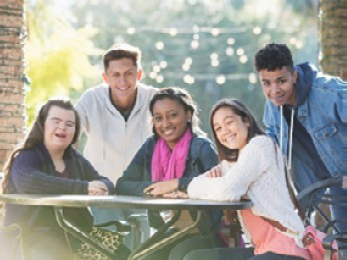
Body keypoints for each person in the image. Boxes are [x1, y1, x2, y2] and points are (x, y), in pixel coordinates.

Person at [181, 99, 311, 260]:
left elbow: (227, 190)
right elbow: (201, 182)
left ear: (246, 120)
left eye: (229, 122)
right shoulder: (231, 164)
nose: (225, 131)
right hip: (261, 251)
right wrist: (186, 189)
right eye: (218, 128)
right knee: (193, 257)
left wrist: (187, 187)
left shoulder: (261, 145)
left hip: (287, 251)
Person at [1, 98, 119, 260]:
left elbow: (105, 182)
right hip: (33, 236)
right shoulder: (27, 156)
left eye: (69, 124)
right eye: (56, 121)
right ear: (43, 125)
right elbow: (29, 182)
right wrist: (83, 188)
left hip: (75, 235)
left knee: (127, 253)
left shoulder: (76, 159)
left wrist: (102, 185)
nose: (62, 127)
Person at [116, 87, 224, 260]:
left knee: (177, 256)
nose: (165, 124)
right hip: (171, 229)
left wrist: (180, 184)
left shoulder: (202, 147)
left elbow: (221, 187)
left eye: (173, 115)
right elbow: (122, 184)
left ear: (188, 114)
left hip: (205, 232)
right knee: (140, 257)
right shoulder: (151, 147)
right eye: (158, 118)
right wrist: (159, 189)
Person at [253, 43, 345, 229]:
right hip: (335, 185)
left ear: (294, 75)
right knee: (343, 244)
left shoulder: (327, 93)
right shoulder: (273, 108)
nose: (274, 90)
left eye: (281, 81)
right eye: (267, 83)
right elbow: (270, 150)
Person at [75, 43, 157, 233]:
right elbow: (69, 135)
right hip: (102, 196)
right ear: (106, 77)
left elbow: (185, 134)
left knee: (144, 249)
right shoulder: (91, 99)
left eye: (129, 73)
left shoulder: (155, 99)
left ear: (139, 74)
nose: (123, 81)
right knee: (107, 247)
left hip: (142, 194)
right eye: (116, 75)